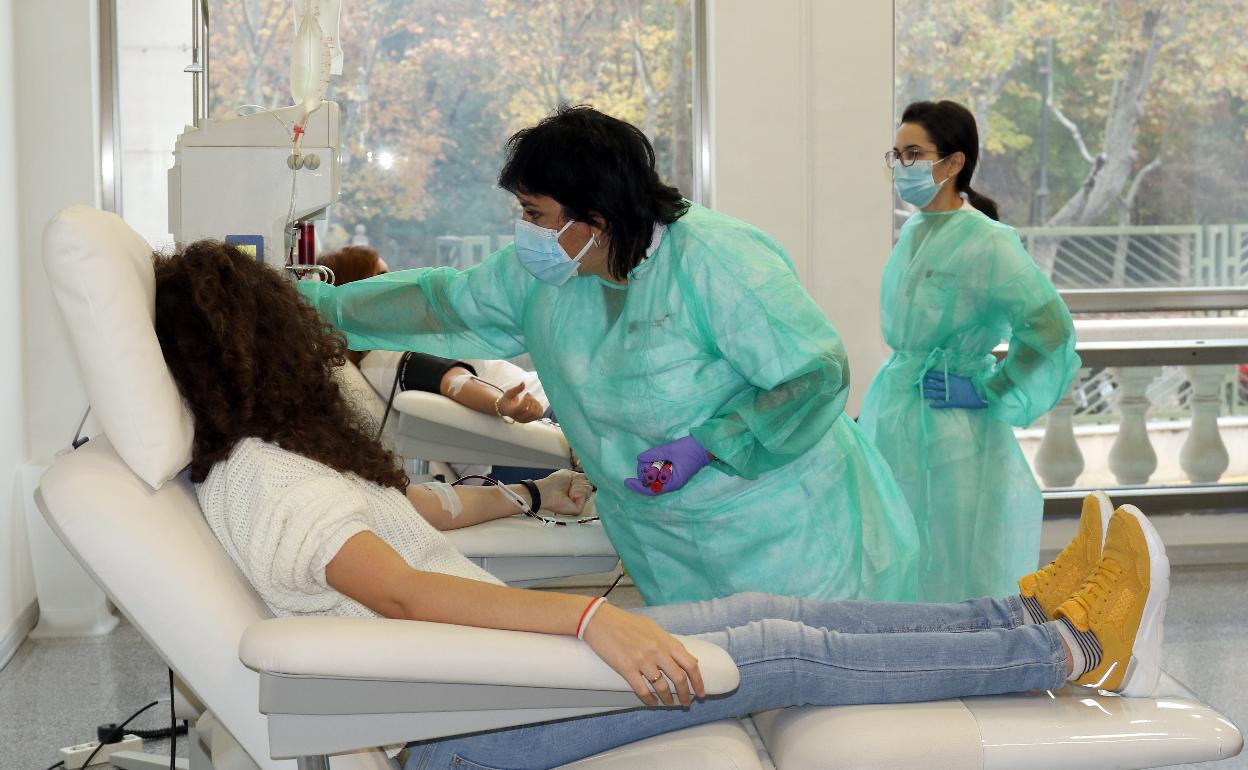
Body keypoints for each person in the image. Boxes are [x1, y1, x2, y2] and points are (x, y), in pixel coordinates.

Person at [153, 240, 1169, 770]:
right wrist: (595, 618)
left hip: (502, 679)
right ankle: (1069, 645)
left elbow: (411, 514)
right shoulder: (262, 479)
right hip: (460, 721)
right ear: (257, 344)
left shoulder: (281, 450)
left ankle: (1023, 611)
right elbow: (410, 598)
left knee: (781, 610)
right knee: (775, 649)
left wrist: (532, 490)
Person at [298, 105, 921, 605]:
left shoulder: (714, 261)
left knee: (814, 702)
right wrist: (320, 304)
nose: (526, 231)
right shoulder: (541, 275)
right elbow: (441, 303)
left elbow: (812, 376)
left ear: (595, 219)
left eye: (535, 213)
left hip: (783, 530)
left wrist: (710, 443)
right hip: (661, 541)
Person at [858, 100, 1082, 603]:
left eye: (914, 153)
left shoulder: (988, 241)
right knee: (895, 547)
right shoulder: (914, 231)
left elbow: (1050, 330)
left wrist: (989, 389)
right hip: (896, 414)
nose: (902, 166)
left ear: (954, 163)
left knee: (952, 554)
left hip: (953, 430)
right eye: (896, 155)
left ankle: (957, 658)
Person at [320, 246, 547, 424]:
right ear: (354, 300)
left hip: (545, 398)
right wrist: (501, 404)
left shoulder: (401, 339)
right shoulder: (385, 355)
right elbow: (454, 381)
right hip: (546, 411)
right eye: (381, 277)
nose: (391, 285)